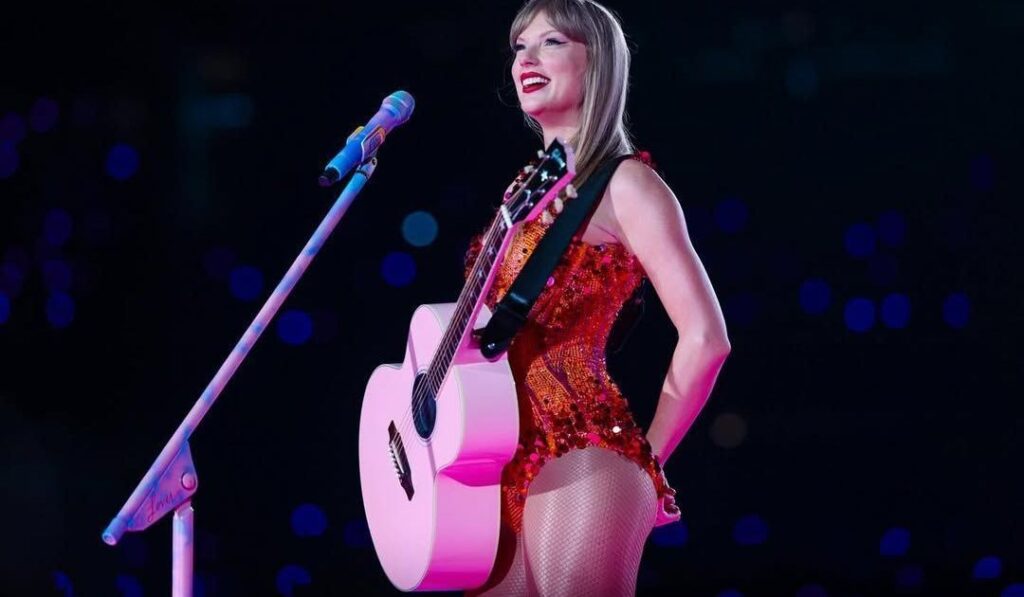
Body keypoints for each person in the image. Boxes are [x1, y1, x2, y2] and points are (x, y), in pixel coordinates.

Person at [463, 1, 731, 595]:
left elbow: (707, 339)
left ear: (598, 63)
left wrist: (649, 462)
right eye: (519, 46)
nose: (526, 58)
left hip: (582, 451)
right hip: (495, 465)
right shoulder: (523, 193)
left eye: (552, 42)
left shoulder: (628, 183)